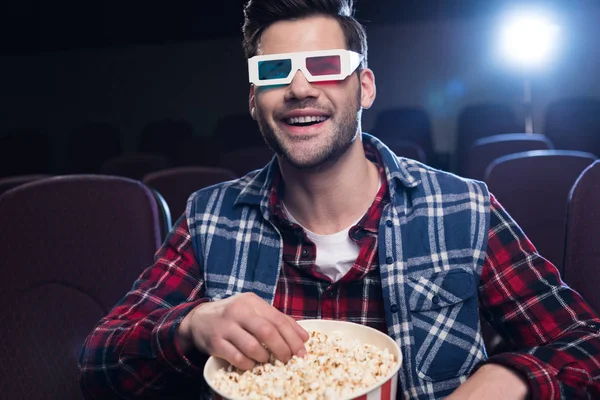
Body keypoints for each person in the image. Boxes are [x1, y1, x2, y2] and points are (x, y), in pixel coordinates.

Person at [78, 0, 600, 398]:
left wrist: (509, 377)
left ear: (365, 88)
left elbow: (584, 346)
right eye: (275, 71)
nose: (301, 88)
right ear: (255, 101)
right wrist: (190, 326)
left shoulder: (462, 209)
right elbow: (98, 365)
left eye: (325, 64)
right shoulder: (209, 220)